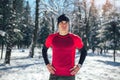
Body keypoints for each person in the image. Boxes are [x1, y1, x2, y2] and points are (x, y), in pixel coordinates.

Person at [42, 14, 87, 80]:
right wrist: (47, 64)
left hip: (69, 75)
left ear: (69, 25)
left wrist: (79, 66)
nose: (64, 25)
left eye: (66, 23)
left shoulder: (75, 38)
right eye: (61, 23)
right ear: (58, 25)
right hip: (54, 75)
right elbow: (44, 50)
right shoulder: (51, 37)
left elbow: (84, 51)